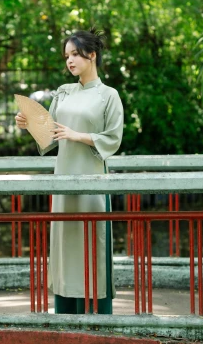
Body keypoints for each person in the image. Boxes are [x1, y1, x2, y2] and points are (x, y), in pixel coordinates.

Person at [15, 29, 124, 314]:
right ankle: (65, 314)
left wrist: (79, 135)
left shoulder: (108, 96)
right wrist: (29, 124)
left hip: (92, 184)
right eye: (67, 56)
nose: (70, 61)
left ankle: (100, 318)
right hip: (63, 180)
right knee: (65, 246)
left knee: (93, 243)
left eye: (75, 54)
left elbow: (113, 138)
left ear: (92, 55)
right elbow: (51, 136)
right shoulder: (63, 92)